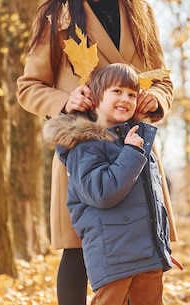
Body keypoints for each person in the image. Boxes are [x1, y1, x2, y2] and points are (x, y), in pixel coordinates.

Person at [17, 0, 177, 304]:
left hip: (133, 147)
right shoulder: (56, 15)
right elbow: (28, 88)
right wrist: (63, 101)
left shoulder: (142, 12)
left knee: (141, 250)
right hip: (83, 147)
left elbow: (162, 79)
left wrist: (155, 99)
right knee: (77, 251)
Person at [42, 63, 173, 305]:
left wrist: (160, 245)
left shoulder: (135, 138)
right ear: (95, 98)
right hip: (113, 257)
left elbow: (152, 202)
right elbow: (101, 192)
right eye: (117, 91)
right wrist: (132, 154)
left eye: (132, 94)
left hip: (146, 256)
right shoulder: (85, 145)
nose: (126, 99)